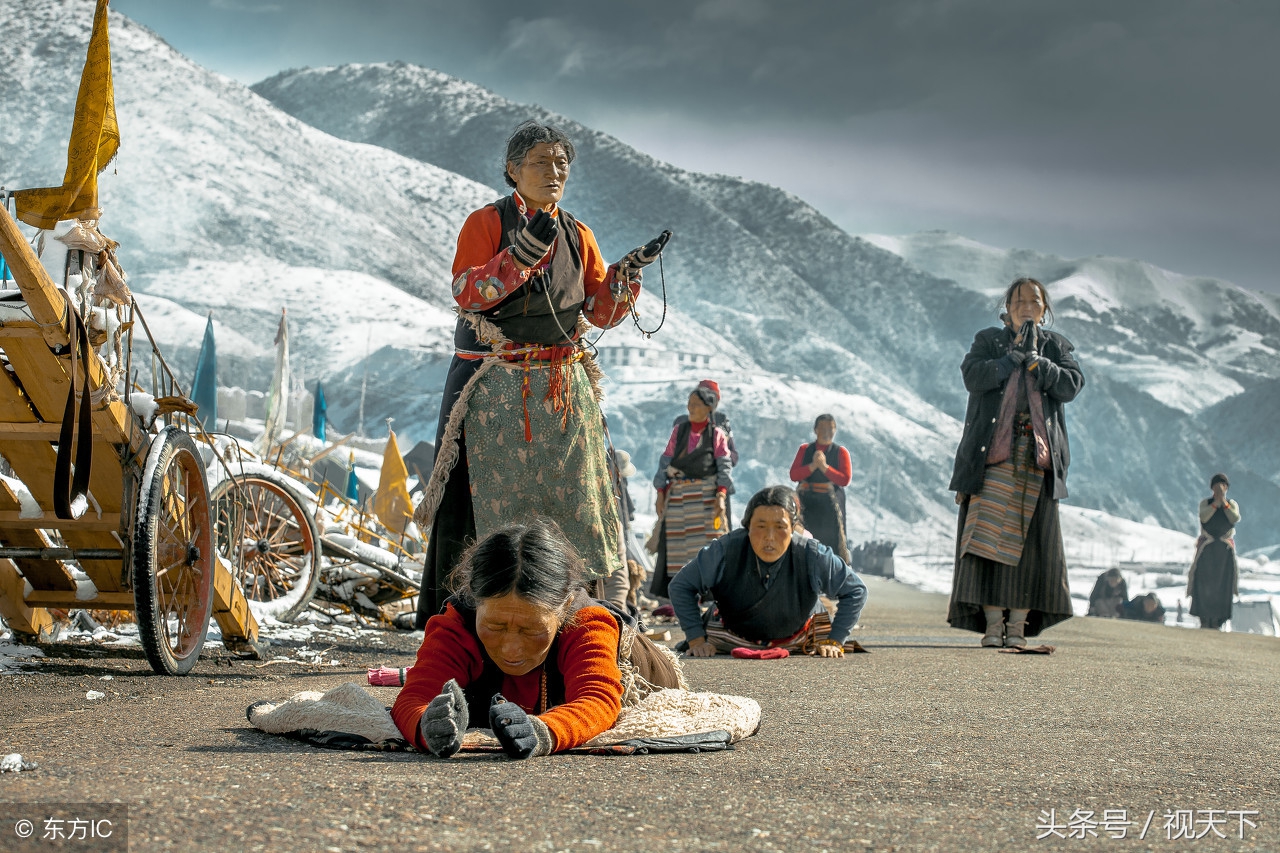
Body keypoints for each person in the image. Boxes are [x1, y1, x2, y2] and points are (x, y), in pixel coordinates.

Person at [413, 121, 667, 627]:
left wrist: (625, 276)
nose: (554, 172)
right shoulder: (485, 224)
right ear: (512, 171)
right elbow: (468, 292)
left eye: (561, 164)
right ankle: (470, 617)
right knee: (488, 507)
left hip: (561, 391)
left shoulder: (579, 233)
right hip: (497, 390)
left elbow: (598, 311)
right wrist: (521, 257)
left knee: (572, 504)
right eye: (541, 162)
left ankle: (575, 613)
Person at [391, 520, 681, 759]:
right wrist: (426, 724)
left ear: (565, 607)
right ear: (475, 602)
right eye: (495, 625)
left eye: (531, 630)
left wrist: (543, 733)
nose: (511, 649)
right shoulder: (455, 626)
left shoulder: (588, 624)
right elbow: (414, 697)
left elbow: (597, 699)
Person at [947, 277, 1085, 648]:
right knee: (986, 538)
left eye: (1034, 301)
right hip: (992, 457)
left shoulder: (1056, 346)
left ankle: (1018, 628)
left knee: (1031, 546)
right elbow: (973, 376)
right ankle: (993, 625)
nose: (1026, 306)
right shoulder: (988, 341)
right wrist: (1009, 360)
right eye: (1019, 300)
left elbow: (1072, 384)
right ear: (1006, 307)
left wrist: (1041, 366)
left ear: (1044, 310)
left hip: (1037, 459)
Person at [670, 485, 868, 657]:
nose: (769, 537)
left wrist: (835, 640)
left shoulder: (813, 554)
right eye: (761, 526)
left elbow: (856, 590)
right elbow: (680, 586)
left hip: (799, 635)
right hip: (731, 634)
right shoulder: (724, 550)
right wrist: (696, 639)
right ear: (747, 527)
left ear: (793, 528)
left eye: (780, 526)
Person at [648, 381, 734, 597]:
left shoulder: (717, 435)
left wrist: (721, 496)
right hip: (678, 497)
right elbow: (665, 461)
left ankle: (709, 596)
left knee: (706, 547)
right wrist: (660, 493)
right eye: (689, 403)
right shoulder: (679, 431)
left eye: (696, 404)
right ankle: (683, 594)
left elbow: (724, 467)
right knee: (678, 547)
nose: (690, 408)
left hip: (705, 499)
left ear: (709, 408)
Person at [789, 413, 852, 562]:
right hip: (806, 502)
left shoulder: (840, 452)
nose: (826, 433)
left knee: (832, 543)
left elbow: (844, 479)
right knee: (803, 538)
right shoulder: (805, 450)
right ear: (815, 430)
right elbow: (794, 475)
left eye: (830, 429)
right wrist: (812, 466)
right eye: (823, 428)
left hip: (830, 505)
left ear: (835, 430)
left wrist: (824, 467)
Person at [1187, 473, 1241, 630]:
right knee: (1203, 583)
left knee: (1223, 584)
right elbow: (1204, 517)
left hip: (1224, 551)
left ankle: (1219, 620)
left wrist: (1223, 502)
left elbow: (1234, 518)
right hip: (1208, 549)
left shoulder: (1231, 505)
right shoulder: (1206, 503)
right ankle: (1204, 618)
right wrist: (1215, 503)